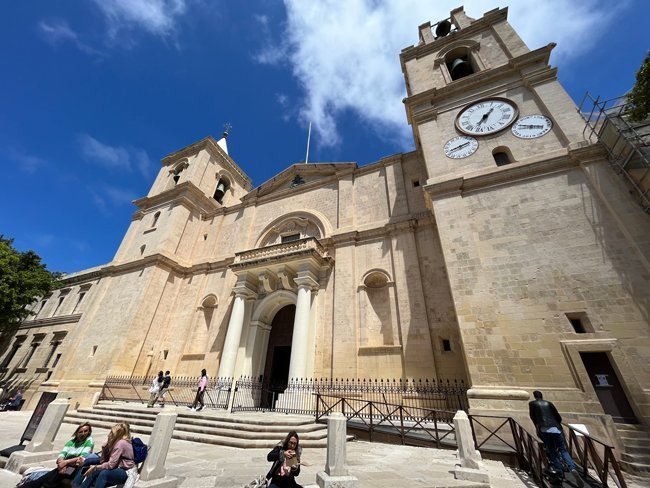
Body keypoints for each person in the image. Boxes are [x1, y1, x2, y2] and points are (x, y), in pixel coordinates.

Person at [529, 390, 583, 486]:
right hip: (556, 428)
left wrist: (537, 427)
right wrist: (557, 424)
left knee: (552, 450)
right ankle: (572, 467)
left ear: (534, 396)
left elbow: (533, 417)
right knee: (563, 450)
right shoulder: (549, 403)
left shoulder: (532, 404)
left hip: (544, 429)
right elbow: (558, 416)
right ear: (542, 396)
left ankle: (560, 472)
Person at [19, 422, 94, 488]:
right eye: (81, 432)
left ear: (89, 432)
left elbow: (82, 457)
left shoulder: (89, 441)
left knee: (54, 475)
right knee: (55, 474)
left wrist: (66, 462)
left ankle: (30, 486)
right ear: (76, 433)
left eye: (86, 431)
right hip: (66, 465)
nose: (83, 433)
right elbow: (62, 454)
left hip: (77, 467)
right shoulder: (71, 442)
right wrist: (61, 462)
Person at [73, 422, 135, 488]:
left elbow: (111, 465)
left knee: (103, 473)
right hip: (116, 468)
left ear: (117, 434)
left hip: (125, 471)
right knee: (89, 467)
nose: (108, 435)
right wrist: (104, 449)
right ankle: (75, 485)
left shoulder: (121, 443)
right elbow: (103, 461)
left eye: (111, 432)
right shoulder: (116, 442)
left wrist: (95, 467)